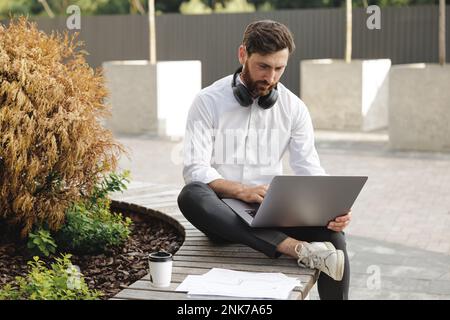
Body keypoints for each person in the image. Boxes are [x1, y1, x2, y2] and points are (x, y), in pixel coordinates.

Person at [177, 20, 352, 300]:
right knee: (191, 195)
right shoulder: (207, 101)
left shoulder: (294, 108)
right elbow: (195, 169)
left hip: (275, 212)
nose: (271, 77)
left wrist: (334, 208)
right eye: (263, 66)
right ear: (242, 55)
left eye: (279, 68)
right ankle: (294, 248)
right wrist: (241, 190)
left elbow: (309, 167)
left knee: (334, 238)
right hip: (225, 214)